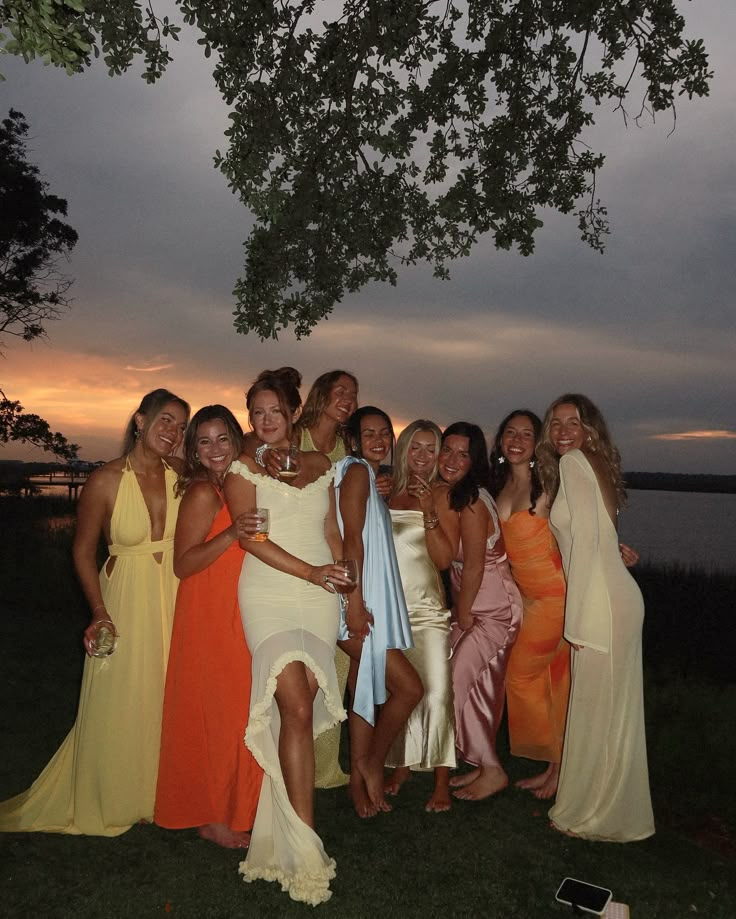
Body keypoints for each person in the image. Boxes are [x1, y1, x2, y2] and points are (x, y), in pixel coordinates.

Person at [0, 389, 190, 836]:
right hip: (125, 593)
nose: (174, 432)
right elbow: (83, 551)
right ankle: (115, 791)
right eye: (166, 420)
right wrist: (99, 611)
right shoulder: (105, 480)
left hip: (175, 592)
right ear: (140, 421)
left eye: (181, 426)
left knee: (165, 691)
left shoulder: (181, 473)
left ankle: (158, 793)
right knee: (120, 692)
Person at [224, 368, 351, 906]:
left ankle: (287, 830)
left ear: (295, 413)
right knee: (295, 705)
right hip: (271, 594)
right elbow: (252, 541)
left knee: (296, 714)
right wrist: (312, 574)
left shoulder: (322, 464)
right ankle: (304, 844)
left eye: (275, 410)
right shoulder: (240, 470)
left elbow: (330, 530)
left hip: (320, 598)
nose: (266, 420)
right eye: (257, 413)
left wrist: (341, 576)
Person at [537, 394, 654, 842]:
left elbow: (586, 547)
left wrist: (578, 620)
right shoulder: (591, 465)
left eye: (574, 422)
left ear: (589, 429)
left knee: (594, 711)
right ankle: (605, 808)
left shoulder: (575, 464)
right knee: (610, 714)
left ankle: (587, 814)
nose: (564, 430)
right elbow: (599, 539)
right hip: (616, 596)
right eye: (556, 423)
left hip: (600, 604)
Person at [154, 405, 263, 848]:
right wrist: (231, 534)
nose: (215, 449)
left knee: (240, 713)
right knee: (220, 714)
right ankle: (211, 815)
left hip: (239, 608)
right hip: (209, 612)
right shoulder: (203, 493)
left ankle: (238, 806)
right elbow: (183, 564)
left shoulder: (237, 485)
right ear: (195, 450)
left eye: (223, 439)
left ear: (237, 442)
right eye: (204, 440)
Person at [335, 407, 423, 818]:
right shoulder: (355, 472)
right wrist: (353, 604)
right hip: (356, 606)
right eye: (367, 432)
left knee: (363, 688)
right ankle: (370, 763)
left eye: (384, 432)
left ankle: (356, 782)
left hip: (366, 603)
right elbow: (351, 541)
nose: (378, 438)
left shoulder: (367, 476)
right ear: (353, 440)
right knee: (409, 688)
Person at [489, 410, 570, 800]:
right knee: (553, 682)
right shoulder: (498, 485)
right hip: (527, 598)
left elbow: (580, 532)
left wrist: (612, 551)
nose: (517, 439)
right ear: (501, 440)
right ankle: (556, 769)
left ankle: (559, 760)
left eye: (526, 433)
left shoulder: (549, 485)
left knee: (518, 675)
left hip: (555, 596)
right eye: (510, 432)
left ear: (537, 443)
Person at [440, 422, 523, 801]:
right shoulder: (454, 495)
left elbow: (472, 565)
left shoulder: (472, 500)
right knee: (468, 686)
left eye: (463, 454)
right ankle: (480, 763)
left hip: (493, 609)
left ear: (473, 461)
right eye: (448, 450)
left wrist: (462, 612)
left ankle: (492, 769)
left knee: (458, 679)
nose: (453, 459)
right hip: (474, 605)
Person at [384, 420, 457, 812]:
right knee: (402, 693)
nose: (423, 456)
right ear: (404, 450)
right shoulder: (387, 492)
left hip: (427, 610)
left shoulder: (443, 494)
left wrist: (429, 511)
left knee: (438, 693)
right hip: (392, 611)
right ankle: (401, 766)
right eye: (416, 447)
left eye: (431, 449)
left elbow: (445, 558)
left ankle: (442, 781)